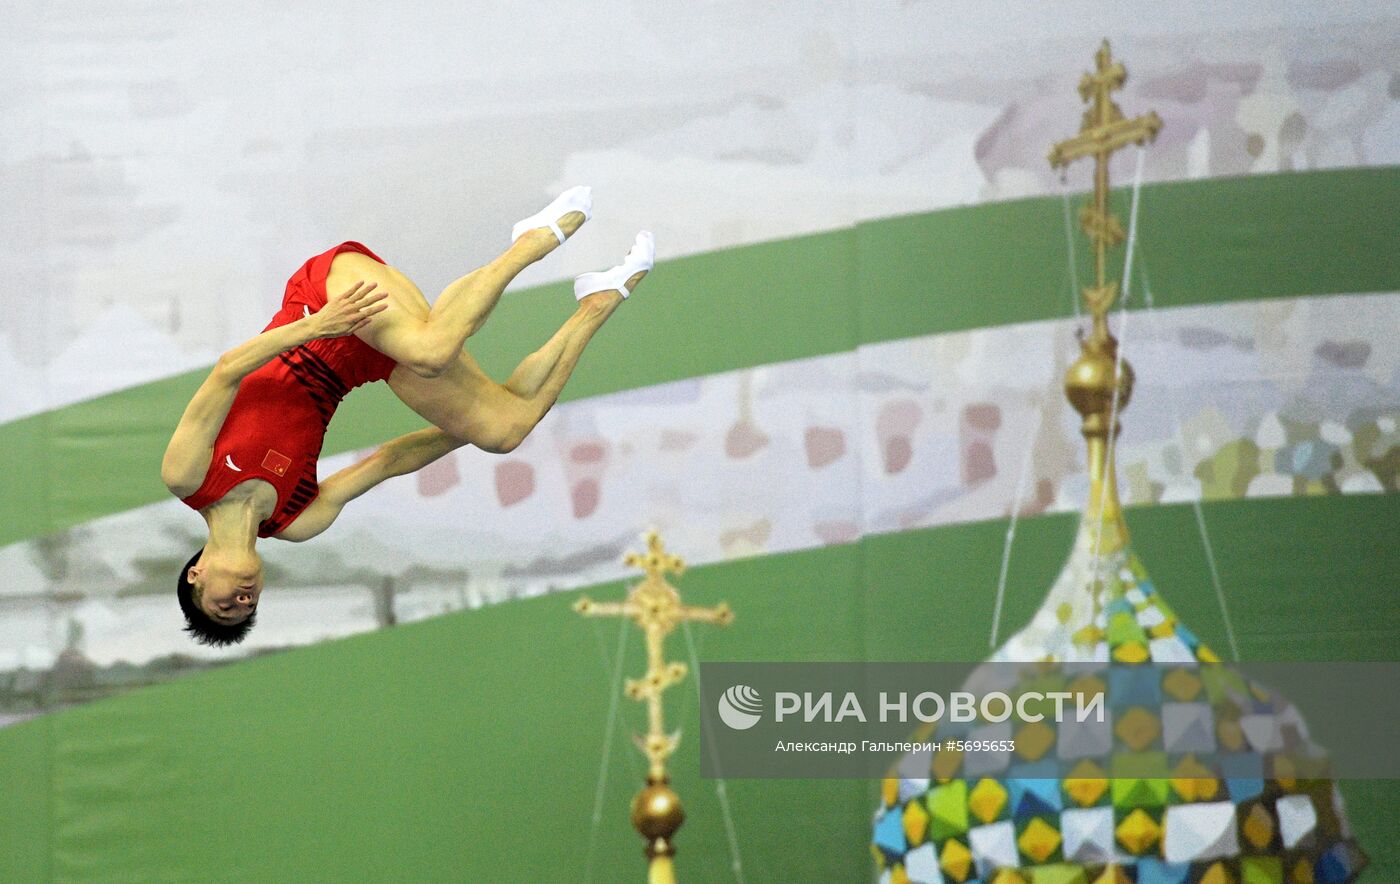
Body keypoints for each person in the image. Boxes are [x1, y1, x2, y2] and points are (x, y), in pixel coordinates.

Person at [160, 187, 651, 646]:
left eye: (225, 607)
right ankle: (598, 301)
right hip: (368, 359)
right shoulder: (297, 520)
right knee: (505, 431)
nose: (243, 601)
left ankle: (534, 240)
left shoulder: (188, 477)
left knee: (432, 350)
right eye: (248, 608)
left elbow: (227, 371)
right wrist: (466, 431)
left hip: (326, 300)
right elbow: (388, 461)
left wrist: (318, 323)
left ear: (196, 575)